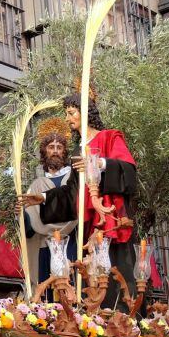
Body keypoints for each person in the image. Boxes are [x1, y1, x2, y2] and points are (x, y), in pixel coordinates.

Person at [18, 93, 137, 310]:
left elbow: (128, 172)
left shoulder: (110, 137)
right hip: (87, 229)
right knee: (91, 284)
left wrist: (98, 163)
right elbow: (72, 193)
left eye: (71, 113)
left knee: (117, 277)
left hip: (110, 223)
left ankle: (126, 322)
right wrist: (42, 198)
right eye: (67, 113)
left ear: (85, 113)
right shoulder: (77, 152)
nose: (67, 118)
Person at [23, 118, 78, 296]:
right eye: (51, 147)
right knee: (47, 295)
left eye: (59, 147)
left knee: (71, 291)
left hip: (70, 242)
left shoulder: (74, 178)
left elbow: (75, 204)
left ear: (65, 152)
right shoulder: (37, 185)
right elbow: (30, 225)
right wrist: (20, 215)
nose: (55, 151)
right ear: (44, 152)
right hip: (44, 246)